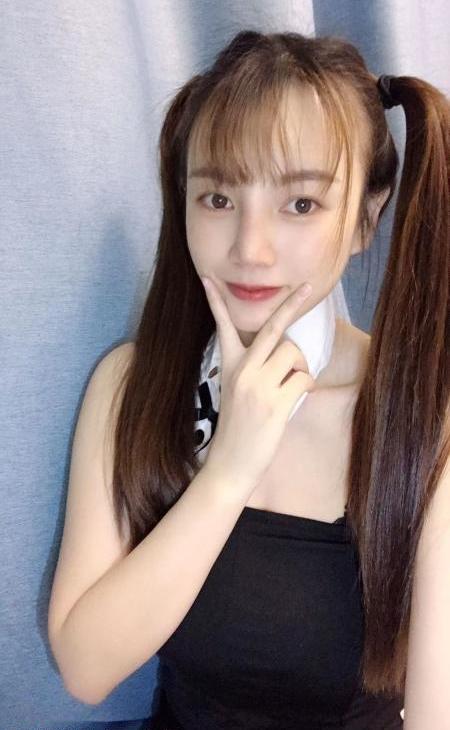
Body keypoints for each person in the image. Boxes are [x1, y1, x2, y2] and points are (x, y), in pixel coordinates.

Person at [47, 30, 449, 729]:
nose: (249, 249)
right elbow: (85, 668)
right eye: (218, 199)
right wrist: (230, 468)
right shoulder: (130, 386)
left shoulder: (426, 420)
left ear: (367, 216)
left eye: (301, 204)